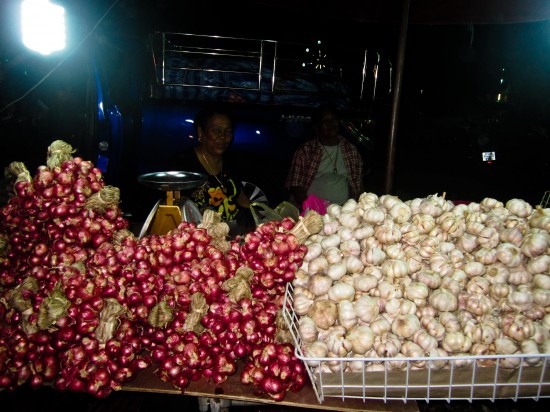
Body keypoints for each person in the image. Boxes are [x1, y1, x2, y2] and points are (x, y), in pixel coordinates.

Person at [175, 104, 254, 233]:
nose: (223, 137)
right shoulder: (184, 164)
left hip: (234, 232)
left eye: (228, 131)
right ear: (201, 132)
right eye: (216, 131)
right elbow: (178, 210)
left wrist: (257, 224)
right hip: (201, 236)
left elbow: (242, 198)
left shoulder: (230, 162)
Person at [285, 104, 365, 209]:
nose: (331, 124)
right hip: (314, 210)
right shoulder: (306, 151)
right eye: (325, 122)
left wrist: (361, 205)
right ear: (316, 127)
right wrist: (311, 208)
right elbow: (295, 186)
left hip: (343, 210)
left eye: (333, 120)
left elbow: (358, 184)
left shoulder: (350, 150)